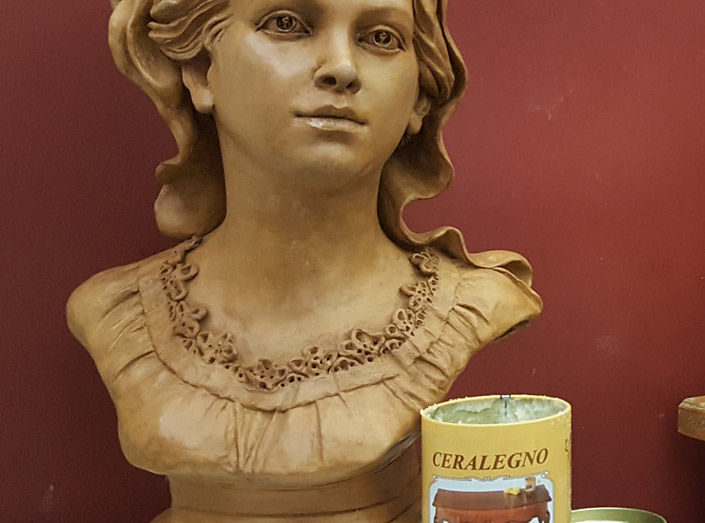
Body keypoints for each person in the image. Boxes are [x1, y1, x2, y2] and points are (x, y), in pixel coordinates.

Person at [69, 0, 541, 520]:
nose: (341, 68)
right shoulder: (116, 311)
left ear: (419, 101)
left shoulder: (474, 302)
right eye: (286, 24)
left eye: (381, 38)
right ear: (202, 71)